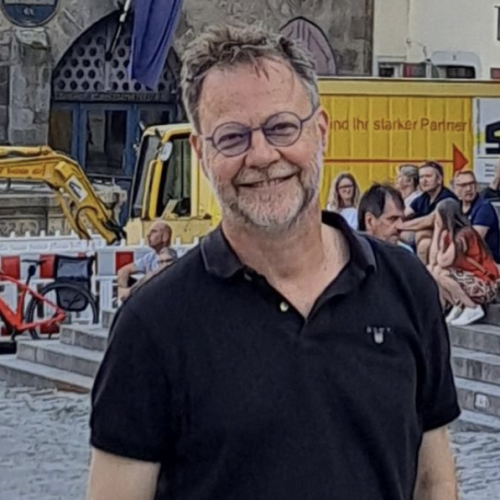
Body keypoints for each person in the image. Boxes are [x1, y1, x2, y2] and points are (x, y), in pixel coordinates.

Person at [87, 24, 460, 500]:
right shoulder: (153, 323)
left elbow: (433, 479)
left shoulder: (405, 285)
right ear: (201, 153)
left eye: (282, 127)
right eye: (232, 137)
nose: (262, 155)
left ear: (320, 131)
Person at [428, 199, 499, 326]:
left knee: (441, 273)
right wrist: (437, 232)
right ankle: (459, 305)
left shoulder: (464, 234)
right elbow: (432, 261)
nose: (435, 219)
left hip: (486, 285)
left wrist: (438, 230)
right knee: (432, 270)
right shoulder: (448, 234)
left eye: (437, 216)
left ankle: (472, 307)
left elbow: (444, 261)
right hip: (470, 280)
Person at [401, 161, 457, 263]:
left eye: (428, 176)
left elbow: (429, 221)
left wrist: (400, 225)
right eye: (421, 177)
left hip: (448, 239)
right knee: (396, 235)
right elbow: (404, 214)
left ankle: (422, 272)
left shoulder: (447, 198)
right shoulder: (423, 197)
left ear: (439, 179)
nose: (424, 180)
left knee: (424, 243)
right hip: (428, 235)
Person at [116, 219, 177, 301]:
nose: (148, 235)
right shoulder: (150, 257)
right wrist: (122, 290)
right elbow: (123, 271)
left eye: (154, 231)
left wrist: (131, 291)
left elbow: (155, 277)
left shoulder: (168, 256)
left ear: (165, 236)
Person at [454, 170, 500, 263]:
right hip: (463, 256)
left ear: (477, 186)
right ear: (455, 189)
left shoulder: (484, 207)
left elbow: (472, 242)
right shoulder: (455, 206)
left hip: (486, 261)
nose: (468, 189)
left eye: (471, 184)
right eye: (463, 185)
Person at [358, 183, 413, 251]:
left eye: (402, 219)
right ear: (370, 221)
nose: (401, 226)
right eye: (392, 219)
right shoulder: (350, 254)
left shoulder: (406, 252)